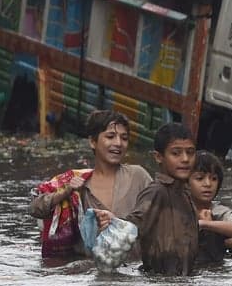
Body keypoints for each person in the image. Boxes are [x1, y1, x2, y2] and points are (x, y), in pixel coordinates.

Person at [29, 110, 152, 256]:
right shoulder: (76, 181)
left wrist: (119, 223)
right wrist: (65, 192)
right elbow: (35, 209)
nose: (118, 143)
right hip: (89, 271)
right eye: (110, 136)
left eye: (124, 138)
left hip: (132, 269)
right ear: (93, 142)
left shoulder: (137, 176)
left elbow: (158, 216)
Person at [95, 122, 199, 275]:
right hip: (159, 285)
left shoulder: (185, 194)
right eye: (176, 153)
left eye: (190, 152)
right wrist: (115, 222)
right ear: (158, 157)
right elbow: (133, 225)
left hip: (181, 280)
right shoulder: (156, 192)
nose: (185, 159)